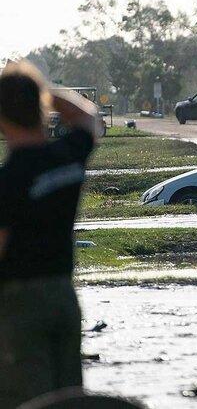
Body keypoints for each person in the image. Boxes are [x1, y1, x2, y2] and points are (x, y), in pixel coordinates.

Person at [0, 61, 99, 408]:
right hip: (63, 297)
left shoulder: (9, 179)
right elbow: (89, 116)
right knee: (68, 400)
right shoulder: (67, 156)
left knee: (26, 401)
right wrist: (43, 92)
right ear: (39, 106)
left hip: (20, 305)